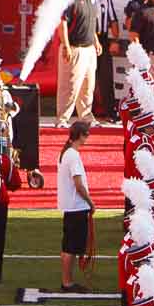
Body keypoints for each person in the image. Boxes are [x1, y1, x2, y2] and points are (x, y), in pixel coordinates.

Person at [58, 0, 104, 125]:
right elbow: (62, 23)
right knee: (69, 86)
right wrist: (66, 46)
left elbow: (91, 23)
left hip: (89, 49)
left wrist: (96, 41)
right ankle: (62, 118)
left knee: (88, 86)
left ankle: (86, 116)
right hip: (74, 48)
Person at [58, 121, 95, 291]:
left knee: (70, 246)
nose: (87, 137)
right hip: (76, 206)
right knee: (70, 247)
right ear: (80, 135)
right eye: (86, 134)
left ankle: (68, 280)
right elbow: (78, 184)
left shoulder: (68, 153)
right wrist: (90, 201)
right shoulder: (73, 155)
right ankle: (66, 282)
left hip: (72, 206)